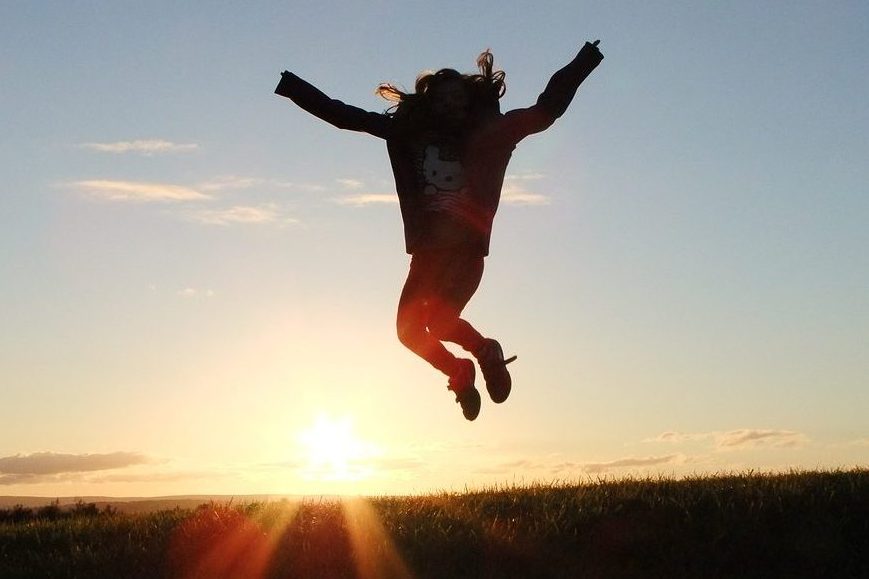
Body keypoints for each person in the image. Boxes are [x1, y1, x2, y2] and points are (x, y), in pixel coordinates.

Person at [275, 40, 604, 421]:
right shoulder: (406, 134)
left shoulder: (492, 135)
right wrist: (292, 87)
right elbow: (345, 116)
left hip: (465, 251)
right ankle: (462, 369)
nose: (451, 104)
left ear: (469, 103)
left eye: (458, 98)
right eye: (442, 98)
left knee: (441, 321)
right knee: (410, 331)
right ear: (429, 104)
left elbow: (544, 111)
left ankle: (485, 352)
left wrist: (583, 62)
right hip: (428, 256)